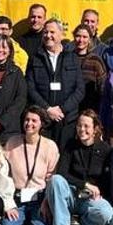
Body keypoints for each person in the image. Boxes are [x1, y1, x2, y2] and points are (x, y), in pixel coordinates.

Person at [46, 110, 113, 225]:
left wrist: (101, 192)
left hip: (91, 199)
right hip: (72, 194)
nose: (82, 129)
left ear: (95, 129)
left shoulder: (105, 150)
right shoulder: (70, 145)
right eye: (79, 126)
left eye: (86, 126)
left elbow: (109, 179)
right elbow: (62, 172)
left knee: (106, 212)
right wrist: (85, 184)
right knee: (56, 180)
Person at [1, 106, 60, 225]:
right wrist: (7, 204)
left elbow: (51, 177)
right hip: (17, 199)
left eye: (34, 121)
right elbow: (2, 174)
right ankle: (16, 224)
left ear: (41, 124)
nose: (29, 124)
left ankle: (27, 223)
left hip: (39, 200)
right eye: (27, 120)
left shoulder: (50, 146)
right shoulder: (12, 143)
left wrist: (46, 201)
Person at [25, 19, 85, 148]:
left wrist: (62, 110)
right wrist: (47, 109)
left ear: (61, 34)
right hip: (43, 119)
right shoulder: (35, 58)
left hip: (67, 119)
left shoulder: (72, 58)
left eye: (52, 32)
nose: (48, 36)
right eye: (45, 32)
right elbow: (30, 87)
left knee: (64, 157)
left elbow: (80, 89)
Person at [71, 25, 108, 113]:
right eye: (78, 36)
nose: (81, 40)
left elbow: (102, 87)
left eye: (84, 37)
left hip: (90, 109)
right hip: (70, 109)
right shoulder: (66, 58)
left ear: (89, 39)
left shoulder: (96, 60)